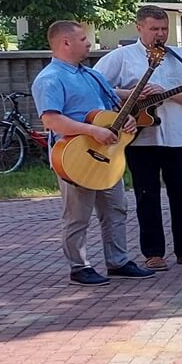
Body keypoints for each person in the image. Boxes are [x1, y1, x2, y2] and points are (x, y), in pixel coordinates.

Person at [32, 21, 153, 285]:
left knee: (116, 209)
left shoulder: (91, 74)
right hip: (75, 156)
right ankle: (79, 267)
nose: (89, 43)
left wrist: (127, 119)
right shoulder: (49, 78)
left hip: (106, 153)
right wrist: (92, 130)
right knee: (78, 216)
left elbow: (112, 105)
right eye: (83, 39)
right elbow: (51, 120)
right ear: (65, 43)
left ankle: (118, 262)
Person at [95, 5, 182, 270]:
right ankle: (153, 253)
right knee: (146, 196)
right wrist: (130, 94)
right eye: (154, 28)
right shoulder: (121, 57)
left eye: (164, 29)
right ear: (139, 28)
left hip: (177, 137)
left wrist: (167, 91)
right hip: (140, 139)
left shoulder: (180, 56)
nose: (160, 34)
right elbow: (96, 86)